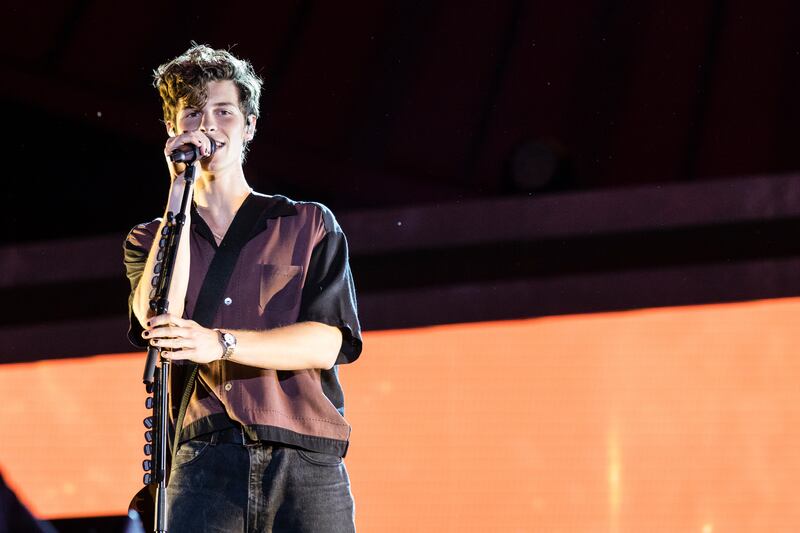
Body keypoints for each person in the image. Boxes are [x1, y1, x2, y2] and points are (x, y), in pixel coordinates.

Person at [123, 44, 362, 532]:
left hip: (305, 462)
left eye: (223, 111)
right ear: (173, 130)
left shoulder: (306, 223)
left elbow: (328, 341)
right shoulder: (150, 238)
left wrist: (220, 342)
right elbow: (157, 317)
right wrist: (179, 198)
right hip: (203, 461)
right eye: (192, 113)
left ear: (248, 126)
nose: (207, 125)